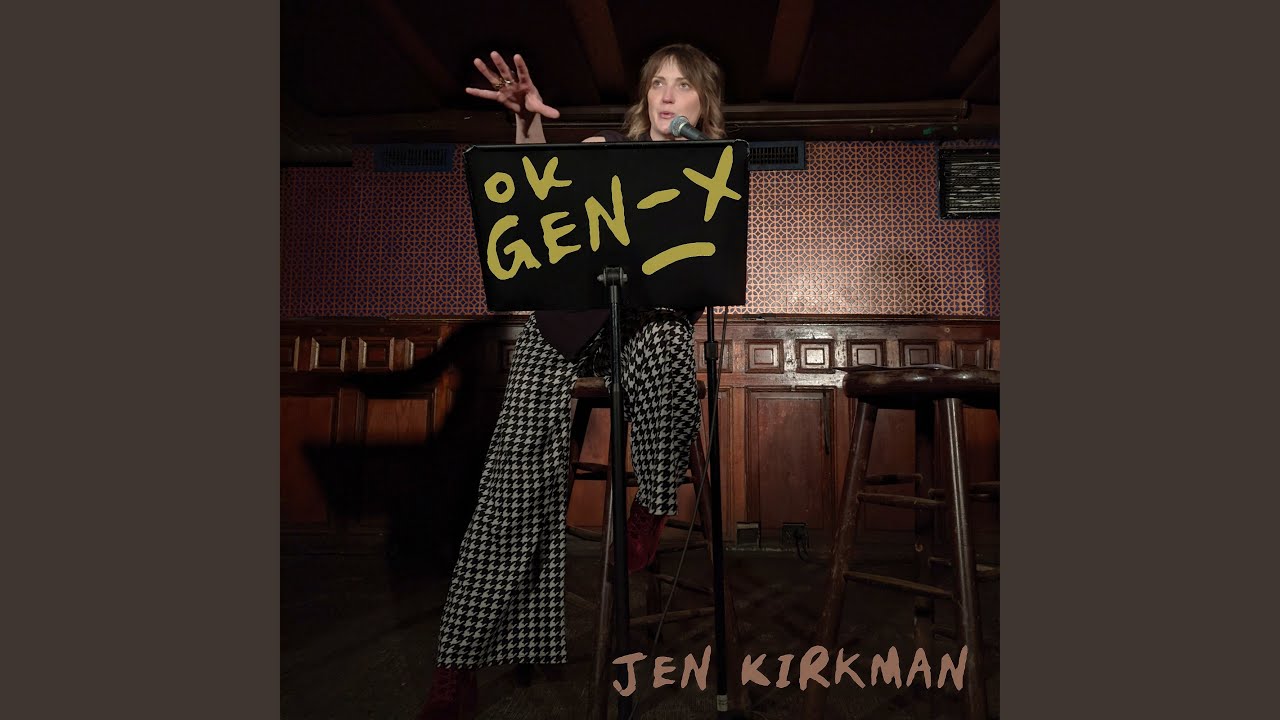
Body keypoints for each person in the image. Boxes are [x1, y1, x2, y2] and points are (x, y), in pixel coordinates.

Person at [418, 43, 727, 720]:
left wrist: (698, 167)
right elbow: (534, 194)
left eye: (682, 86)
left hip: (643, 333)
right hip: (562, 331)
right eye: (657, 83)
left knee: (670, 344)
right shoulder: (602, 149)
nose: (666, 94)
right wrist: (527, 122)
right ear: (644, 97)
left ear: (704, 103)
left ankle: (651, 503)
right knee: (509, 493)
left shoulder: (712, 178)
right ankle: (456, 667)